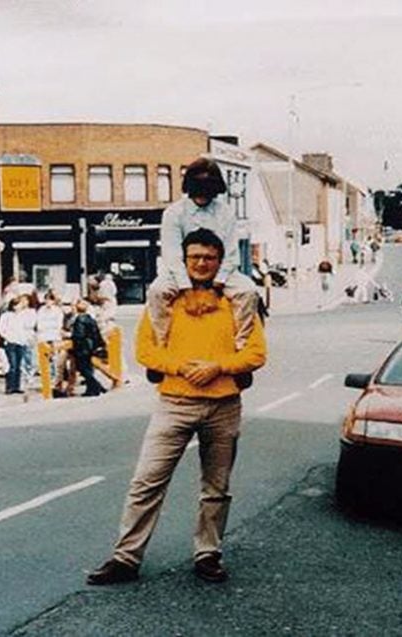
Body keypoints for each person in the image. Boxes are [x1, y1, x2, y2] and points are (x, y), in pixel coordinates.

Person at [87, 228, 267, 586]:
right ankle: (126, 558)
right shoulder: (165, 302)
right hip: (174, 404)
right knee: (146, 482)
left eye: (209, 258)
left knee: (216, 487)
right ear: (184, 262)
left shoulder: (237, 301)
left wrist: (219, 367)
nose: (202, 263)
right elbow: (145, 351)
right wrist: (181, 367)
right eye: (195, 257)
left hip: (224, 406)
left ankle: (208, 553)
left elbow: (256, 352)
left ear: (220, 262)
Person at [147, 158, 257, 356]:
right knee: (156, 291)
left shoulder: (226, 212)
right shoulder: (174, 213)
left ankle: (240, 345)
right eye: (198, 190)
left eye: (208, 191)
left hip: (219, 268)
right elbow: (172, 256)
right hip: (183, 270)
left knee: (248, 291)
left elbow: (231, 254)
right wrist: (187, 291)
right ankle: (161, 345)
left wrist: (216, 287)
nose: (202, 197)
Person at [71, 299, 108, 397]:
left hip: (82, 347)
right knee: (88, 368)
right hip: (90, 347)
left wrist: (70, 337)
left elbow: (79, 335)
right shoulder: (91, 319)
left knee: (82, 369)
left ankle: (97, 386)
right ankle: (91, 389)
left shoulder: (79, 319)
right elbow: (97, 334)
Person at [0, 296, 28, 394]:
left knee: (19, 365)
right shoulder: (6, 316)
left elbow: (26, 328)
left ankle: (17, 386)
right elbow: (1, 329)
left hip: (21, 342)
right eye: (17, 305)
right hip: (11, 342)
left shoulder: (23, 315)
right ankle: (9, 386)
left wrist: (25, 338)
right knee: (12, 365)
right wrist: (7, 337)